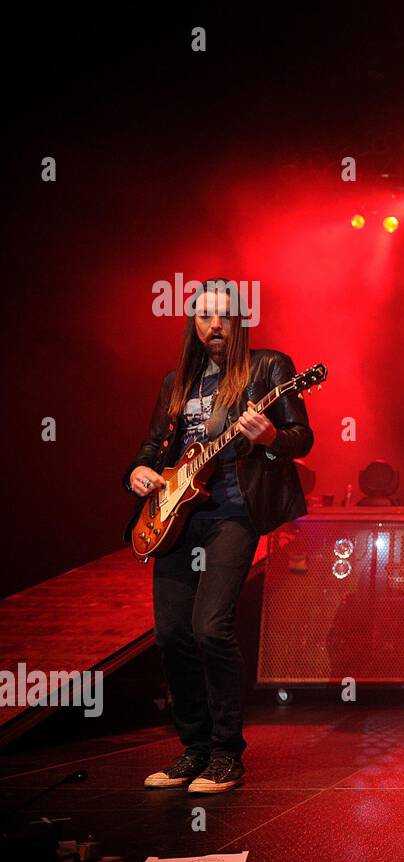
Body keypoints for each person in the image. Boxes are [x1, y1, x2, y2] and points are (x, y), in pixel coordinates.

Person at [125, 278, 314, 794]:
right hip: (175, 520)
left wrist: (272, 436)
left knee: (210, 628)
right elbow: (153, 448)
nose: (213, 324)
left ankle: (227, 754)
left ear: (238, 321)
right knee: (171, 635)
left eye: (222, 315)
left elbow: (302, 439)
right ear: (193, 323)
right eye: (203, 315)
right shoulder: (176, 382)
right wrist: (139, 475)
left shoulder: (268, 368)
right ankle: (194, 748)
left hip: (234, 513)